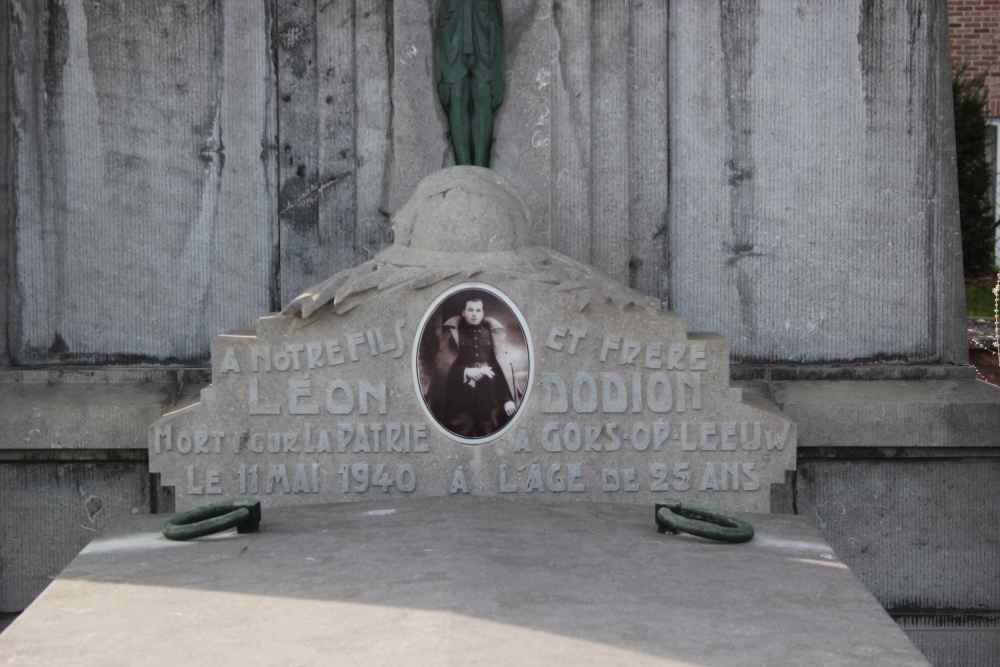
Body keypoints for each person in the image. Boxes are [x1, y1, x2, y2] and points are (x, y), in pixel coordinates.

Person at [426, 297, 521, 438]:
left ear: (483, 313)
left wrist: (507, 399)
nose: (474, 314)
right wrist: (465, 372)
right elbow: (443, 369)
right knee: (461, 436)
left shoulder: (490, 334)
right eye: (470, 310)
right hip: (461, 399)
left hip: (489, 398)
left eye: (478, 310)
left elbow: (501, 368)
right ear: (464, 312)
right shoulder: (453, 334)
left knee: (490, 437)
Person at [434, 0, 506, 167]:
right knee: (457, 93)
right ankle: (463, 168)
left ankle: (481, 169)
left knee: (483, 93)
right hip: (454, 18)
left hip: (484, 17)